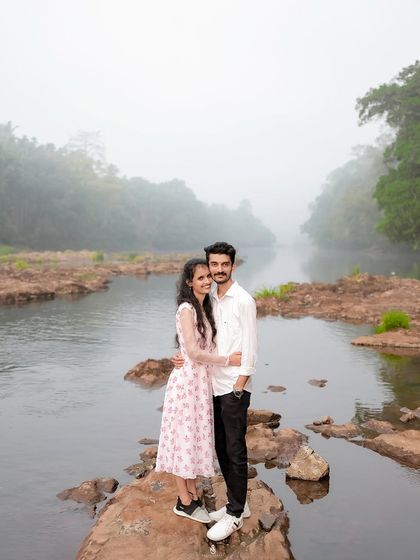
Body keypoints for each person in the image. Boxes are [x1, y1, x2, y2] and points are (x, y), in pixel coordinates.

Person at [173, 242, 257, 542]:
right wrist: (181, 355)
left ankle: (234, 515)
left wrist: (240, 385)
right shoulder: (210, 300)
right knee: (221, 447)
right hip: (210, 386)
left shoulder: (243, 300)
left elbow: (251, 347)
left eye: (224, 265)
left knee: (235, 451)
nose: (217, 271)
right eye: (213, 266)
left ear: (233, 265)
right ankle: (241, 504)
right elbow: (195, 341)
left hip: (233, 387)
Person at [155, 258, 242, 524]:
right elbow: (192, 351)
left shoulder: (203, 307)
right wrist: (228, 360)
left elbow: (192, 347)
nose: (206, 281)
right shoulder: (186, 309)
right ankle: (183, 502)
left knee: (191, 439)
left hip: (200, 383)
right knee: (183, 440)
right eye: (200, 278)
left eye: (208, 276)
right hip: (187, 384)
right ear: (189, 282)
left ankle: (192, 494)